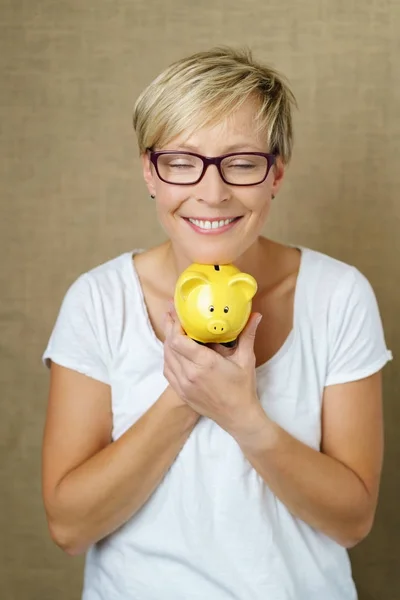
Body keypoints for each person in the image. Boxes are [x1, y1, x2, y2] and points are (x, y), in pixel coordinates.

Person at [41, 46, 393, 600]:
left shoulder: (338, 295)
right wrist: (187, 395)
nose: (212, 191)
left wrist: (244, 417)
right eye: (182, 160)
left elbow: (352, 522)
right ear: (149, 172)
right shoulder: (97, 301)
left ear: (275, 173)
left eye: (242, 161)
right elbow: (69, 527)